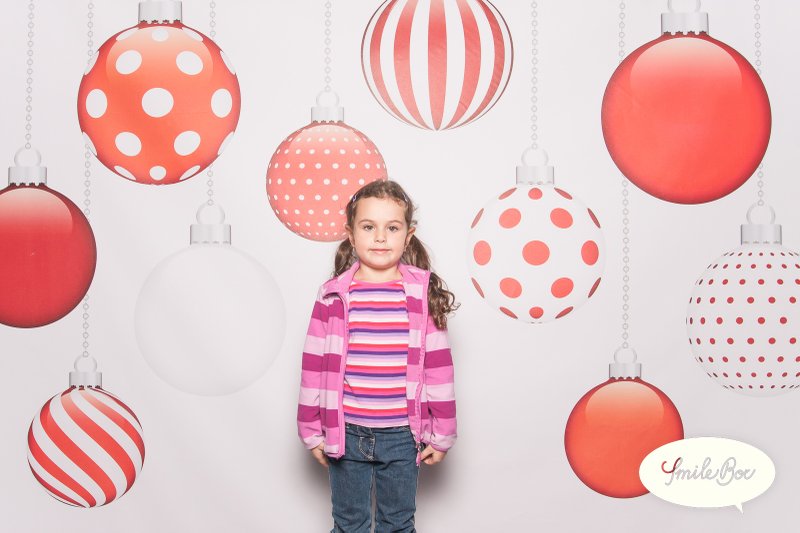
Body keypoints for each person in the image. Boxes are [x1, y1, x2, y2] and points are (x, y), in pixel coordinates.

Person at [297, 179, 458, 533]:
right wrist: (311, 428)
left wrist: (442, 433)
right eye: (369, 227)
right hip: (346, 432)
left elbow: (439, 369)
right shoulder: (332, 295)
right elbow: (313, 366)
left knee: (397, 525)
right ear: (351, 234)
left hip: (403, 435)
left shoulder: (421, 294)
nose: (381, 237)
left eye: (392, 228)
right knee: (348, 524)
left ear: (408, 235)